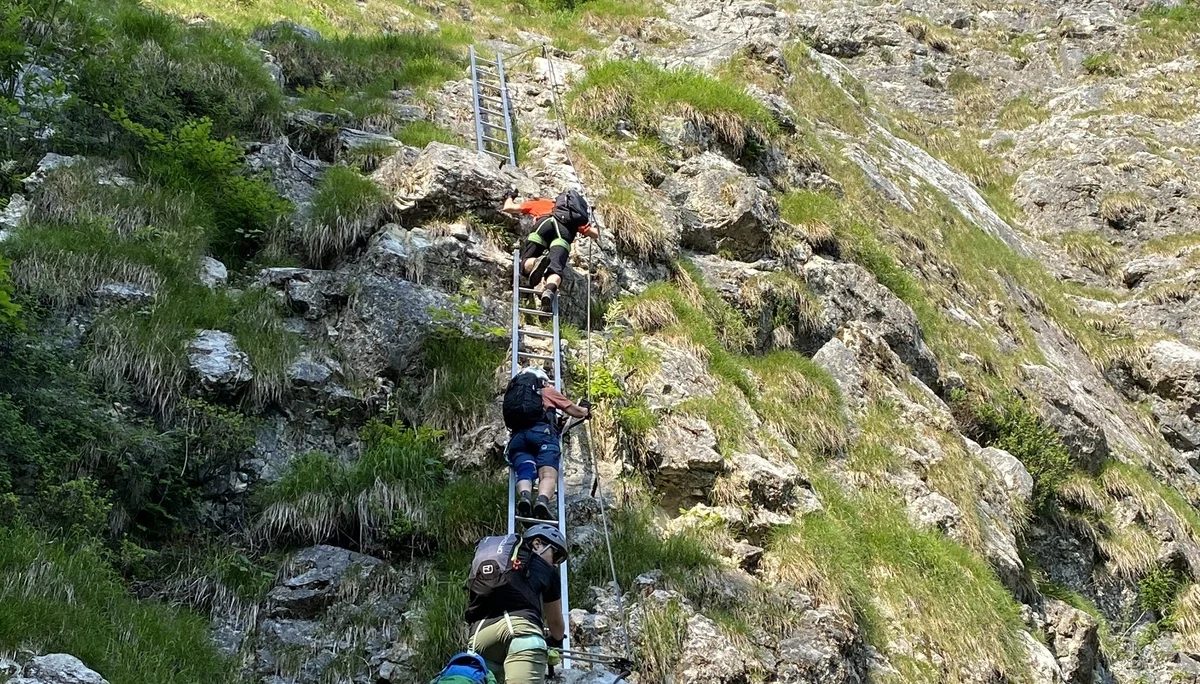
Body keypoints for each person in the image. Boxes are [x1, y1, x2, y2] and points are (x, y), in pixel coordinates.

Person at [464, 524, 569, 684]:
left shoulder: (498, 567)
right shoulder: (546, 570)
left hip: (480, 637)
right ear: (537, 544)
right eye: (555, 556)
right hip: (521, 631)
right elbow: (555, 623)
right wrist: (556, 640)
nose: (556, 563)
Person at [503, 366, 591, 521]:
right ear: (542, 381)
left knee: (525, 470)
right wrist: (585, 409)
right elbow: (576, 411)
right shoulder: (547, 392)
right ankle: (542, 501)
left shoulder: (513, 397)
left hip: (518, 439)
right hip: (542, 436)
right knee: (548, 474)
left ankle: (525, 497)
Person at [502, 189, 596, 309]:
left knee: (526, 261)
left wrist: (510, 196)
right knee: (555, 269)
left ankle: (536, 262)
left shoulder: (543, 203)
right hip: (564, 233)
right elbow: (595, 234)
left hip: (544, 224)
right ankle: (549, 291)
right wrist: (590, 219)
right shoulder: (574, 216)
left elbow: (508, 208)